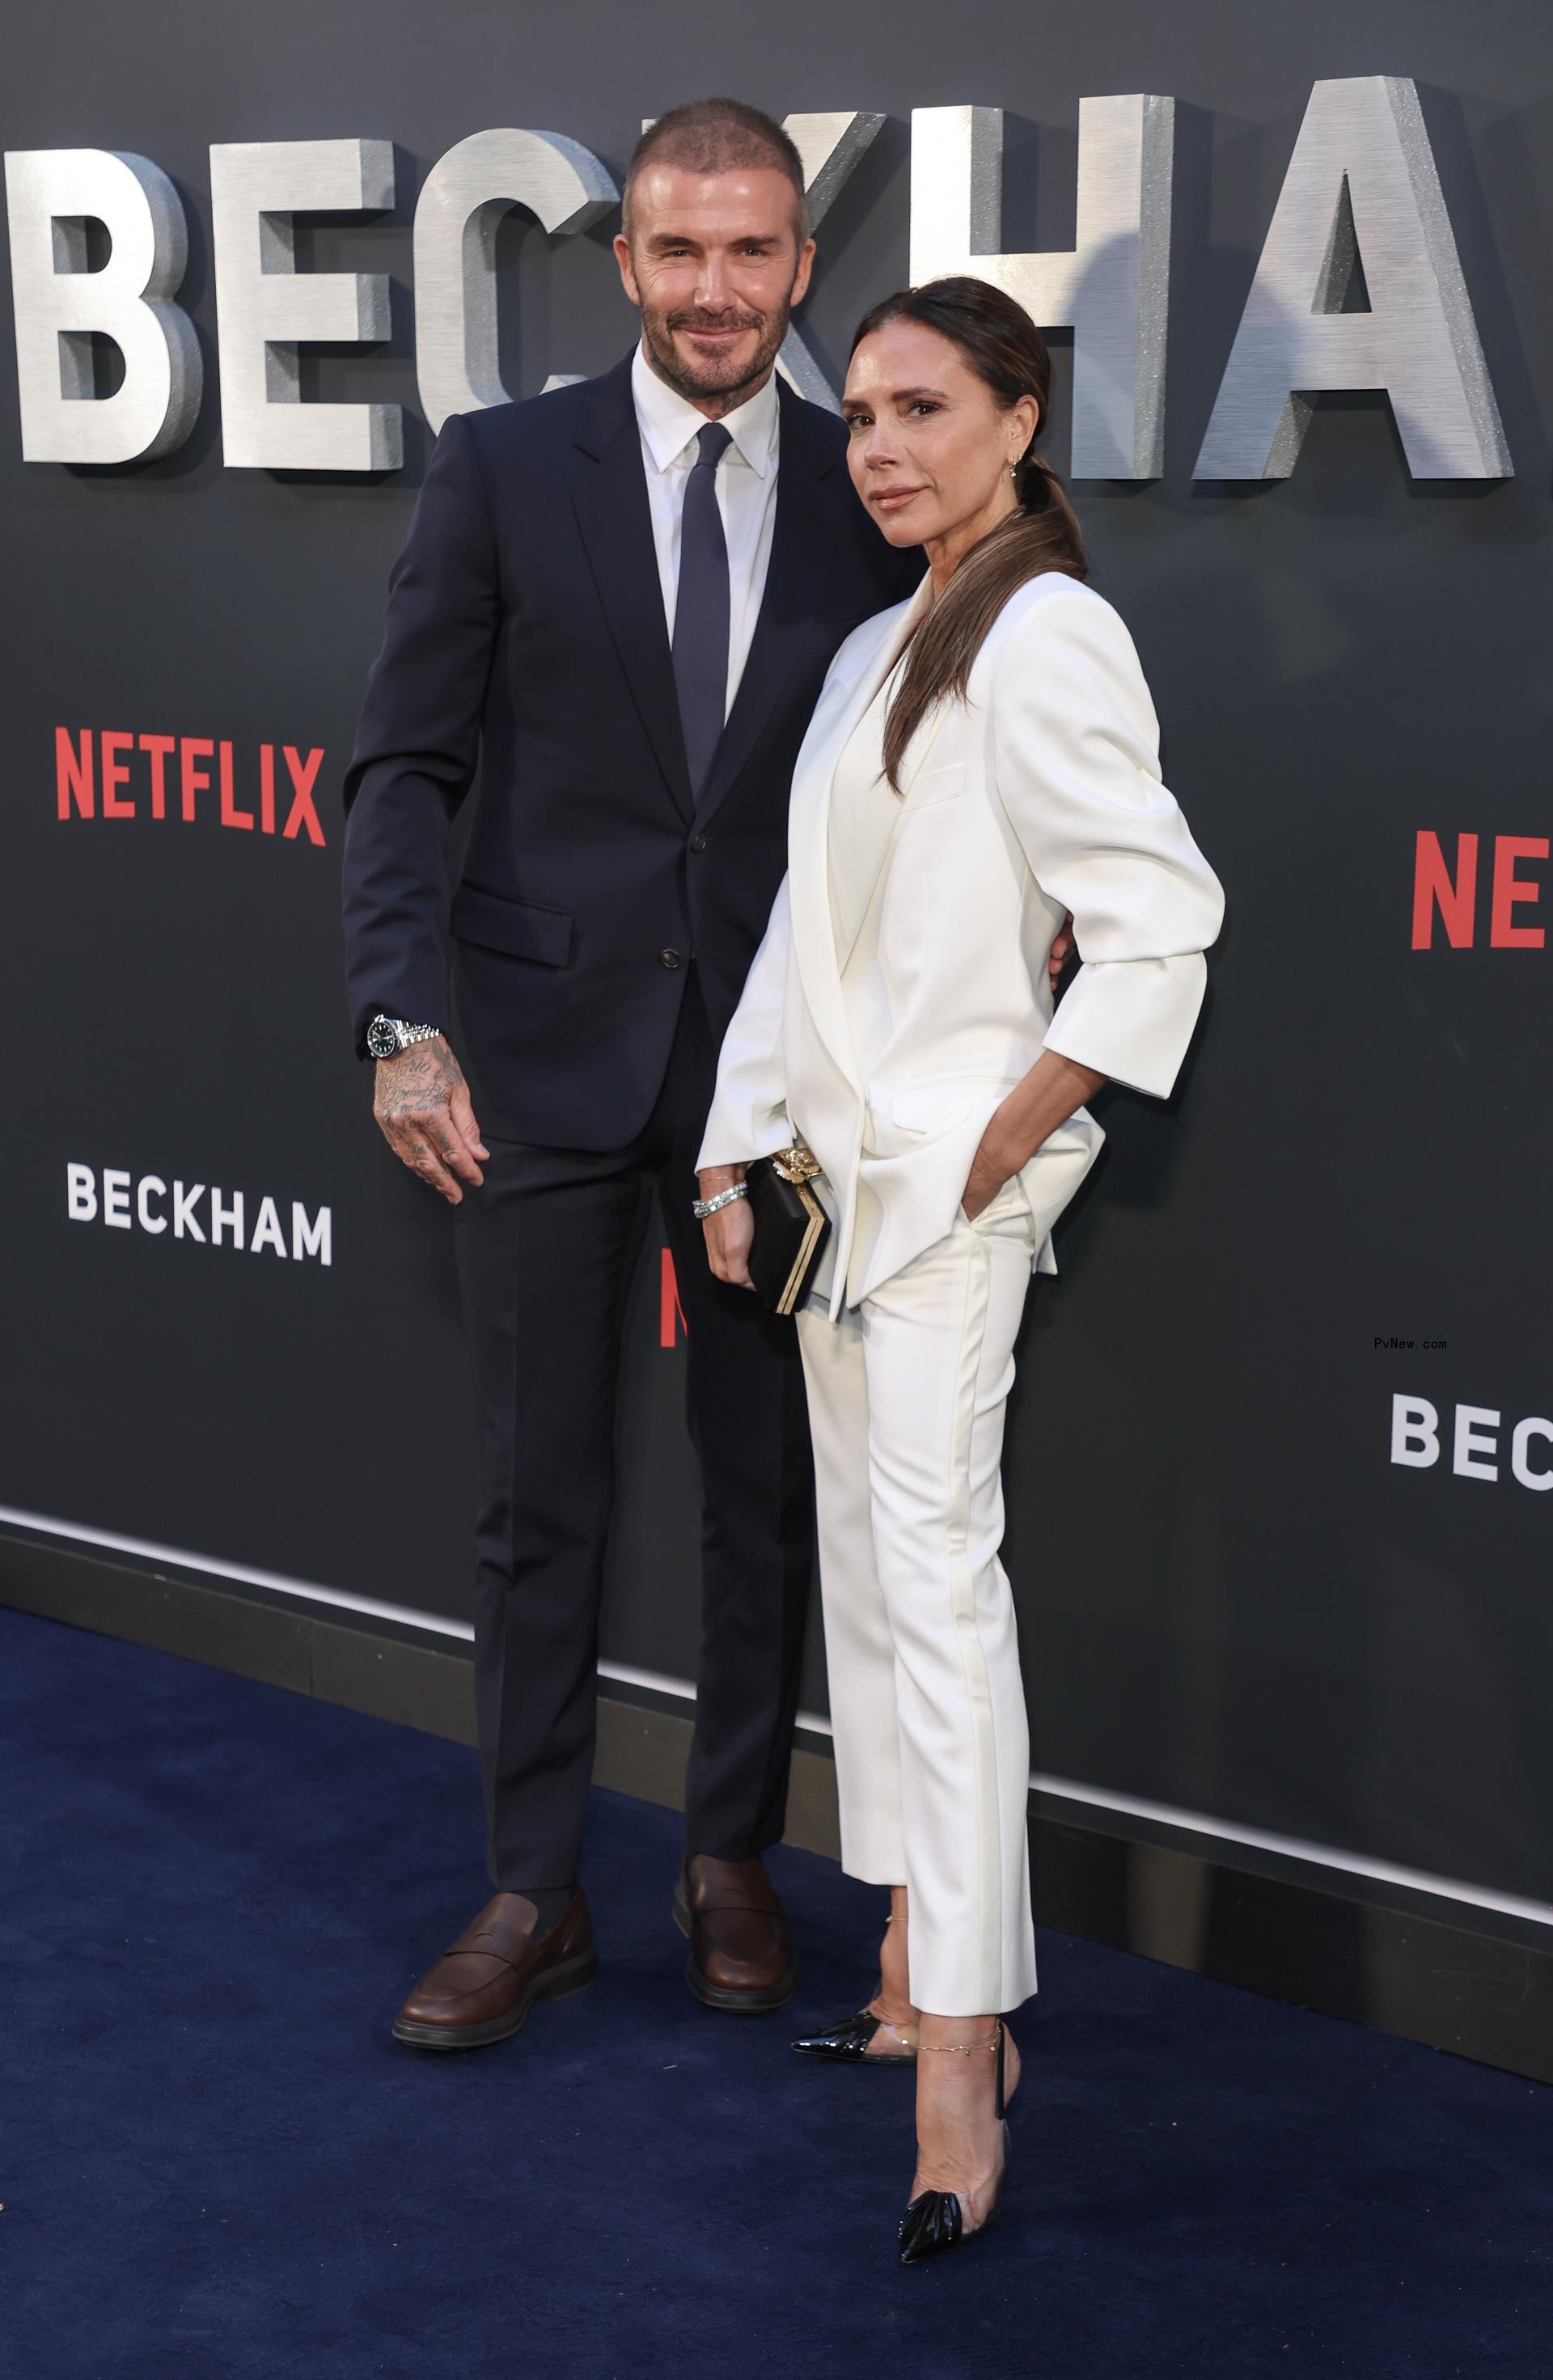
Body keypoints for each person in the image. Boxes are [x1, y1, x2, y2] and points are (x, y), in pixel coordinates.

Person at [339, 99, 928, 2048]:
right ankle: (532, 1886)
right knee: (539, 1489)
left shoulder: (876, 490)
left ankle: (732, 1850)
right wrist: (398, 1017)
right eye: (679, 252)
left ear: (799, 269)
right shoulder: (505, 469)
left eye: (752, 252)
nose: (716, 289)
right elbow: (401, 766)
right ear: (623, 266)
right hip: (530, 1062)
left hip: (775, 1086)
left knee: (763, 1485)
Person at [696, 277, 1225, 2259]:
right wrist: (734, 1144)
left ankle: (964, 2050)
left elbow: (1160, 922)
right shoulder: (868, 648)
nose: (886, 447)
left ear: (1021, 419)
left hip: (941, 1198)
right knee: (872, 1575)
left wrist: (1008, 1132)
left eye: (928, 408)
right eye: (862, 420)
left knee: (939, 1592)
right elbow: (792, 945)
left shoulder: (1051, 630)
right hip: (830, 1199)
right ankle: (917, 1953)